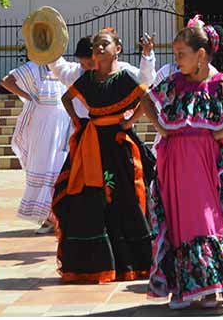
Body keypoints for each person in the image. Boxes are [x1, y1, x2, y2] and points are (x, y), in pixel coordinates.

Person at [140, 16, 223, 309]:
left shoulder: (221, 84)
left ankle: (210, 287)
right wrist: (161, 127)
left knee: (205, 219)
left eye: (182, 54)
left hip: (205, 161)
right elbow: (145, 98)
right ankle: (184, 289)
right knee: (177, 221)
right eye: (176, 54)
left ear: (202, 54)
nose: (177, 60)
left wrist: (222, 131)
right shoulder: (173, 83)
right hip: (173, 160)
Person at [48, 29, 156, 282]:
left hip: (119, 146)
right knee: (90, 200)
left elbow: (147, 95)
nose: (98, 49)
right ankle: (95, 263)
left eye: (104, 44)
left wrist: (131, 120)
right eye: (96, 45)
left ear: (117, 49)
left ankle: (132, 261)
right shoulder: (87, 79)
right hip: (92, 144)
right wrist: (78, 122)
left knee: (124, 198)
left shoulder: (125, 76)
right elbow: (66, 98)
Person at [1, 57, 72, 234]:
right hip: (42, 124)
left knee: (60, 167)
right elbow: (6, 81)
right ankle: (48, 217)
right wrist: (30, 97)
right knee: (43, 165)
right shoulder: (33, 67)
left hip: (64, 123)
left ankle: (59, 216)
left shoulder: (65, 67)